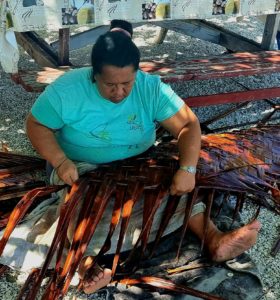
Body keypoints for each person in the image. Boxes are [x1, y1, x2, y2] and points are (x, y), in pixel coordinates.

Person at [25, 19, 261, 295]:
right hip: (80, 165)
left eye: (127, 83)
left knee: (172, 189)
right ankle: (86, 266)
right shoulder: (67, 90)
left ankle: (213, 240)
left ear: (137, 73)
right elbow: (36, 124)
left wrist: (187, 168)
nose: (119, 92)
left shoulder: (150, 88)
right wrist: (60, 161)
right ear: (93, 75)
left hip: (139, 161)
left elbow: (188, 125)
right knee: (84, 200)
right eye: (110, 85)